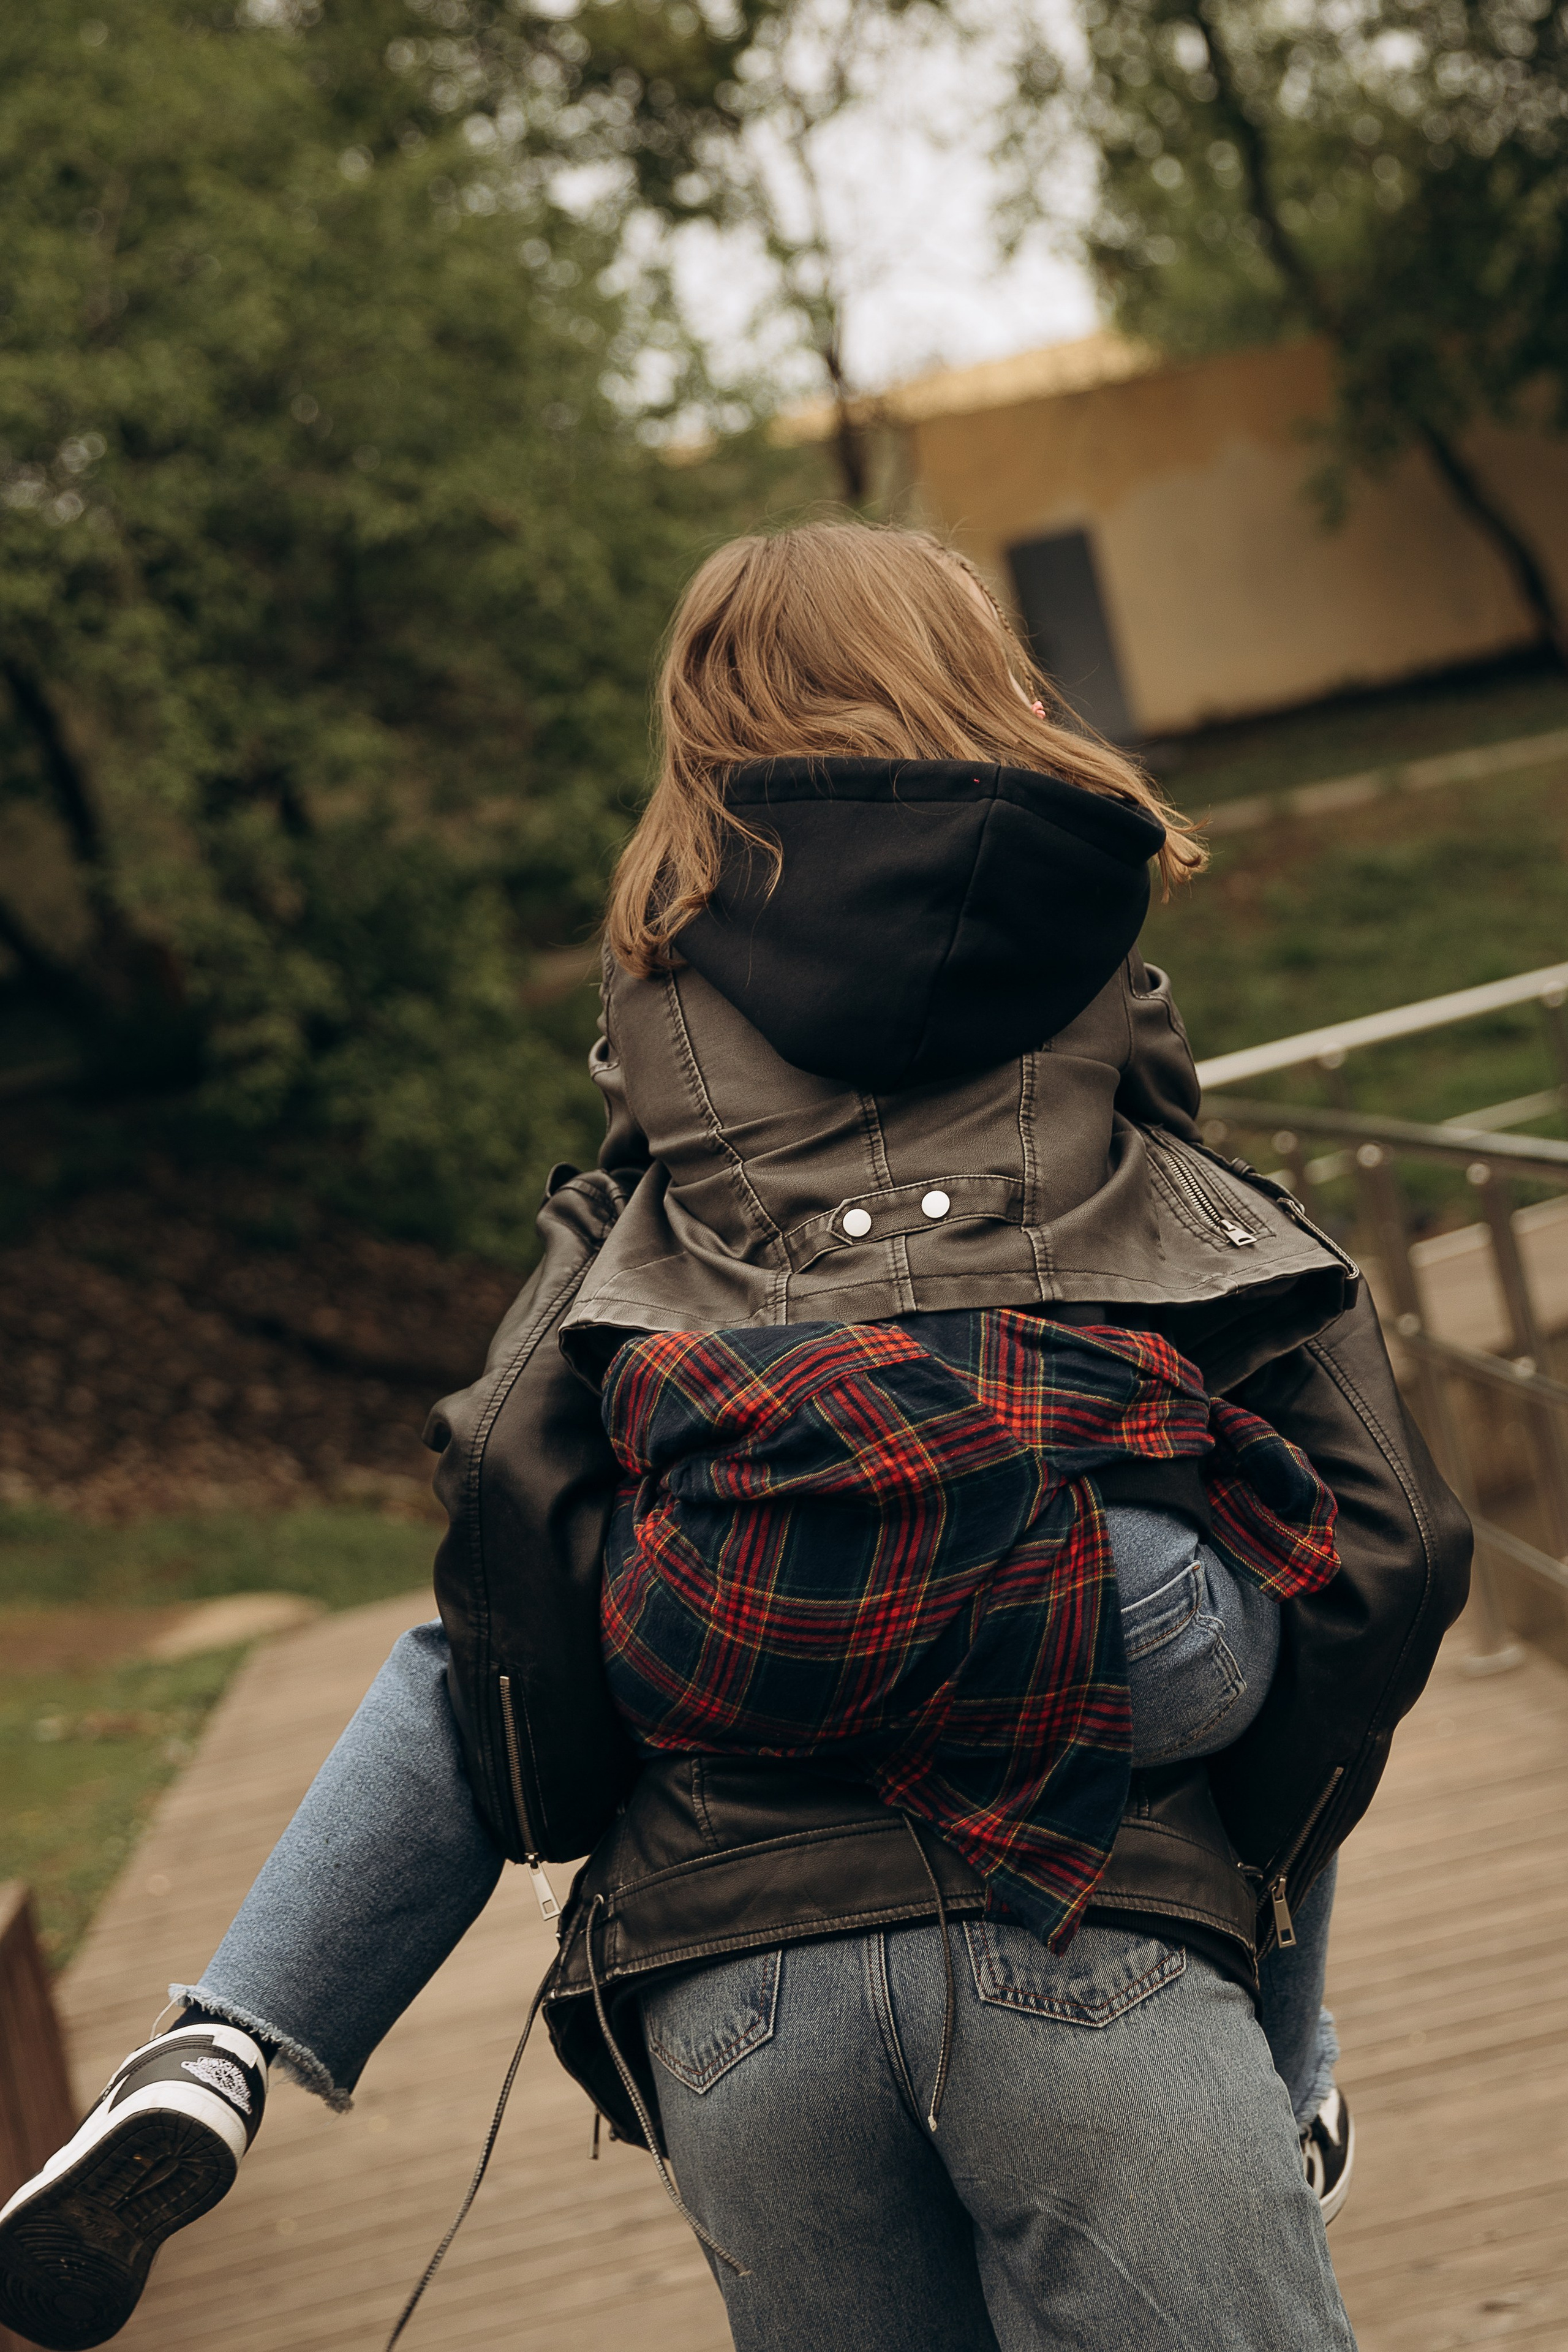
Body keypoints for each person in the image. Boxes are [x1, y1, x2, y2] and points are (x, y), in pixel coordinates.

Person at [0, 525, 1468, 2352]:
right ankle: (1298, 2060)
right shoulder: (1082, 935)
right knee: (1312, 1557)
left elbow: (506, 1513)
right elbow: (1361, 1518)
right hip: (1095, 1723)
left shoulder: (658, 992)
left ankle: (228, 2036)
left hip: (739, 1909)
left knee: (481, 1642)